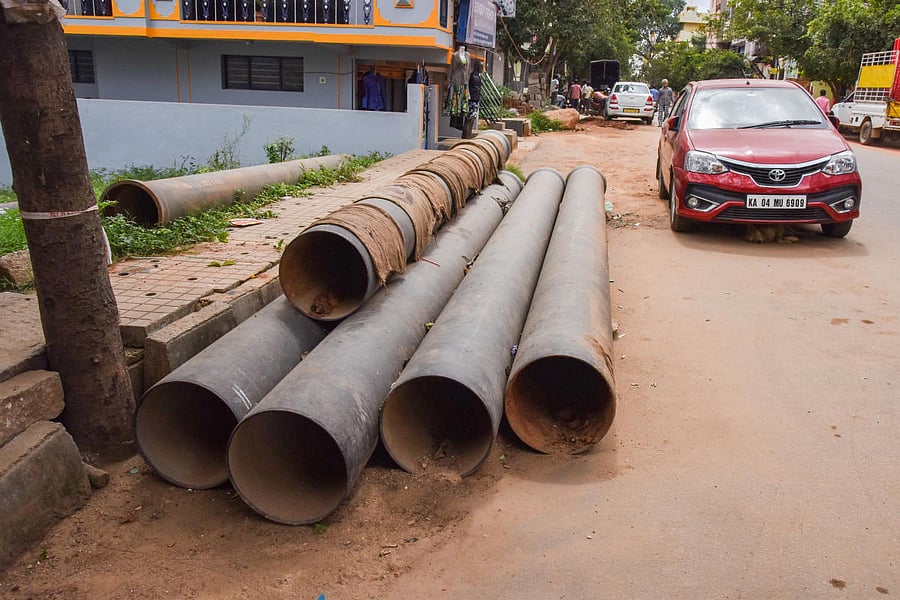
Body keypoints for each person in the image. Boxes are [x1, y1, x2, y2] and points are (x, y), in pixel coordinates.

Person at [463, 60, 483, 138]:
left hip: (475, 100)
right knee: (469, 119)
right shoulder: (474, 76)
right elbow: (475, 89)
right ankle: (466, 135)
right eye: (481, 67)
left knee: (471, 119)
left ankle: (467, 134)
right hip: (473, 101)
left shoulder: (476, 76)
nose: (482, 69)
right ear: (477, 67)